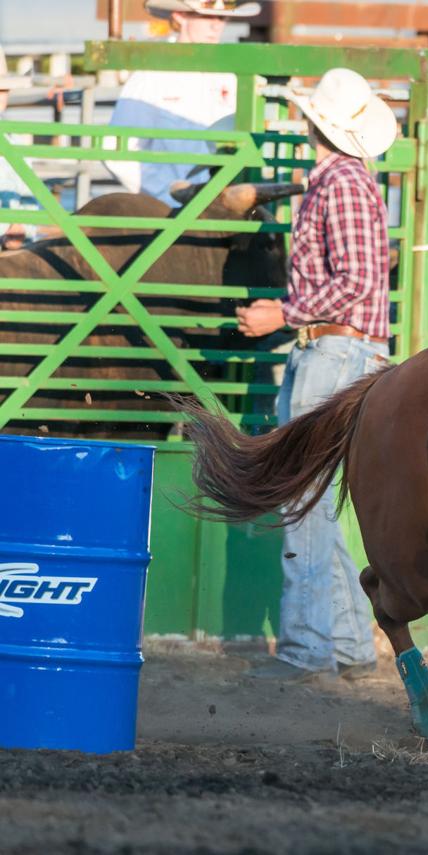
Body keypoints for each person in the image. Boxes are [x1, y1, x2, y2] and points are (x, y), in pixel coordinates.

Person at [234, 67, 398, 684]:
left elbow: (355, 281)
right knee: (317, 506)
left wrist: (283, 311)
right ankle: (352, 645)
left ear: (312, 124)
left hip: (332, 353)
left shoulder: (341, 184)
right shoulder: (348, 181)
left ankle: (306, 652)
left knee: (305, 503)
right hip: (335, 351)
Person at [105, 0, 260, 205]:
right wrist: (170, 194)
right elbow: (116, 150)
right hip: (173, 209)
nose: (217, 25)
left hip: (222, 206)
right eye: (206, 16)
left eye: (222, 17)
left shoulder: (231, 76)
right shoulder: (152, 74)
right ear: (180, 15)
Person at [0, 46, 36, 249]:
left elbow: (27, 189)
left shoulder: (14, 138)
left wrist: (23, 226)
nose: (1, 95)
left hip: (14, 239)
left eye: (3, 89)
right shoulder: (14, 138)